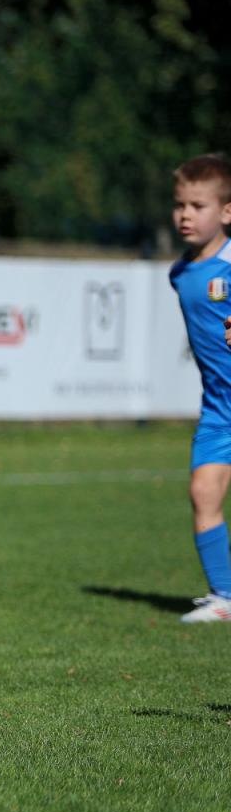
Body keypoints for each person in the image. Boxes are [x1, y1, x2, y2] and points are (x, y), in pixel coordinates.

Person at [174, 153, 231, 622]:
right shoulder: (182, 272)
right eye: (180, 205)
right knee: (203, 493)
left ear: (227, 212)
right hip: (219, 409)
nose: (185, 215)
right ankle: (225, 599)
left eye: (198, 205)